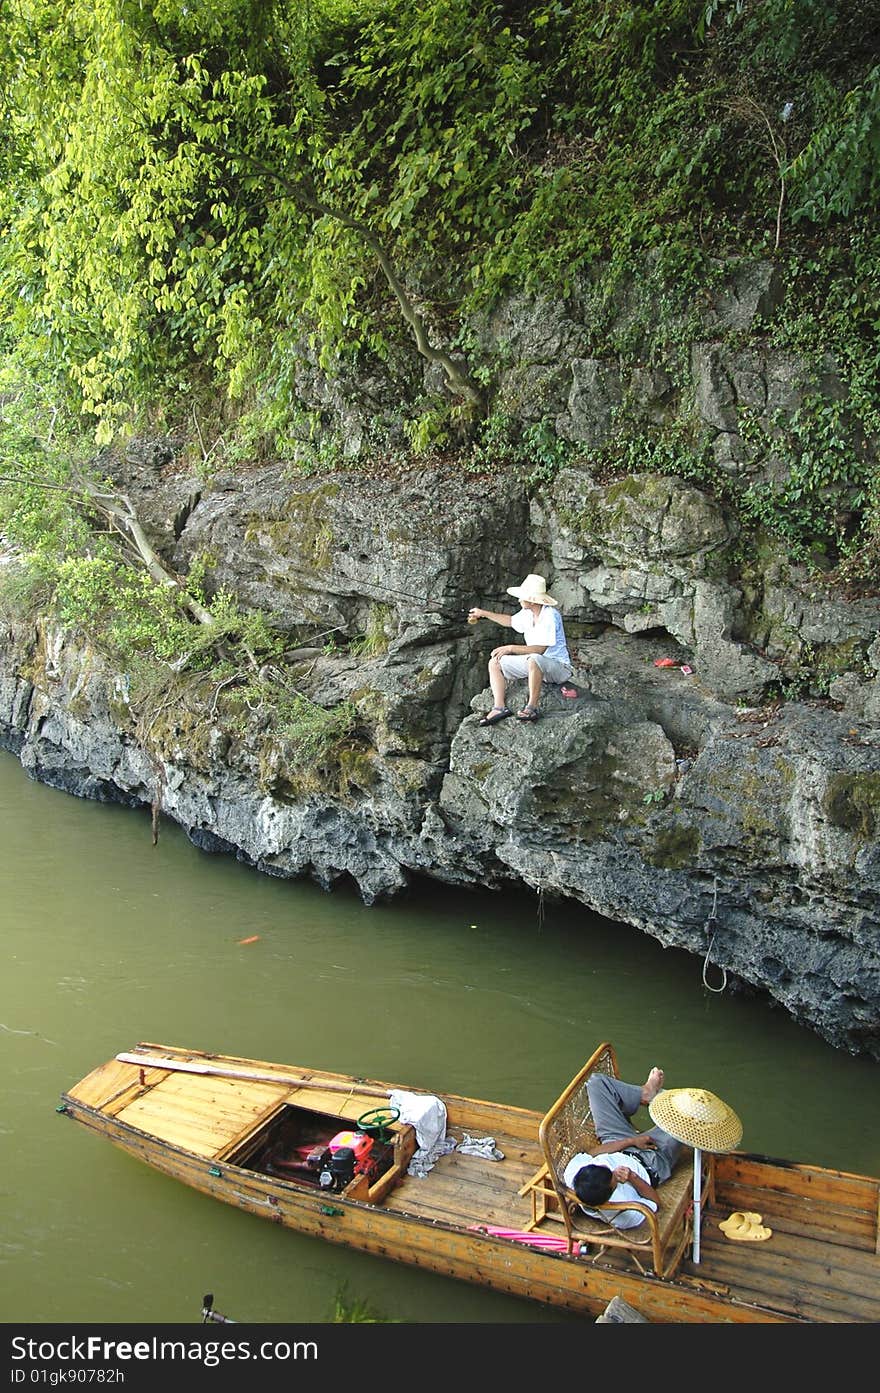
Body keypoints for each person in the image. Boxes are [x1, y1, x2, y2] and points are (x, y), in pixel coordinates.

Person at [562, 1066, 683, 1230]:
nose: (610, 1167)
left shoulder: (574, 1174)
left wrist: (631, 1141)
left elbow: (591, 1153)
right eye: (613, 1177)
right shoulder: (625, 1214)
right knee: (686, 1115)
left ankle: (645, 1094)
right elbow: (655, 1202)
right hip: (651, 1161)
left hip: (617, 1141)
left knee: (596, 1083)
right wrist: (633, 1177)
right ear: (612, 1191)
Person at [468, 572, 572, 725]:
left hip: (558, 668)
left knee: (534, 658)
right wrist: (483, 613)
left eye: (522, 596)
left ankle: (532, 707)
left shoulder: (550, 615)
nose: (519, 599)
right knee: (495, 662)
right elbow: (510, 621)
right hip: (535, 665)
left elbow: (539, 650)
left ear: (532, 599)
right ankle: (499, 707)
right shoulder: (527, 613)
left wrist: (510, 648)